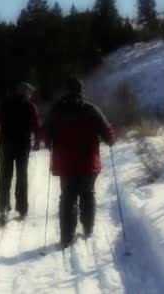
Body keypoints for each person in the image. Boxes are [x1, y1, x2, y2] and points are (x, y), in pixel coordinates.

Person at [43, 77, 115, 248]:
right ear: (81, 91)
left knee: (67, 198)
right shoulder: (91, 109)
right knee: (88, 194)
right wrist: (110, 139)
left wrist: (49, 142)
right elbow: (108, 134)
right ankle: (88, 228)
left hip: (65, 163)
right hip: (88, 162)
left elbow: (45, 134)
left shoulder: (56, 110)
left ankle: (66, 237)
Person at [0, 82, 41, 226]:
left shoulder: (4, 103)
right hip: (22, 145)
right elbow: (36, 126)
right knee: (21, 176)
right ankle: (22, 209)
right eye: (30, 92)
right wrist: (38, 141)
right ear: (26, 92)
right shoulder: (30, 106)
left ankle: (3, 209)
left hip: (5, 144)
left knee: (4, 176)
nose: (31, 94)